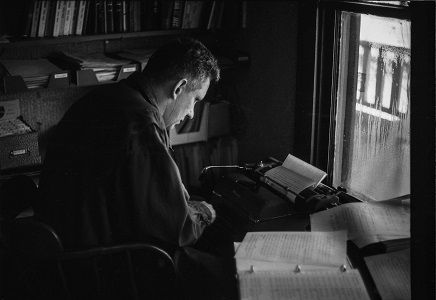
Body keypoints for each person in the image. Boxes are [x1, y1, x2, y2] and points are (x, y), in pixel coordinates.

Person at [36, 38, 221, 251]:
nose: (191, 113)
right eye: (195, 100)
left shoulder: (103, 98)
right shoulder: (141, 124)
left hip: (66, 251)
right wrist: (204, 213)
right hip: (100, 262)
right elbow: (177, 230)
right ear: (179, 87)